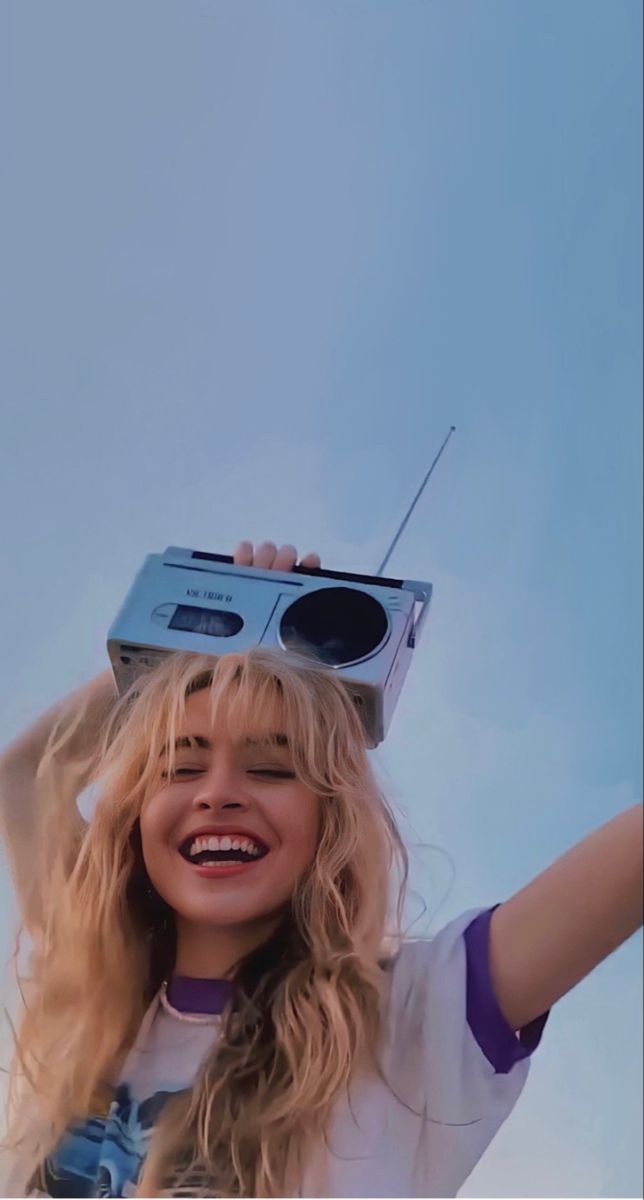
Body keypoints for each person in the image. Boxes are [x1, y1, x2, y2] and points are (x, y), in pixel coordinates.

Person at [0, 540, 641, 1199]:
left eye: (273, 768)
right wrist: (204, 628)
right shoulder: (89, 996)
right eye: (182, 767)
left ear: (328, 822)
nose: (217, 792)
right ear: (135, 816)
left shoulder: (416, 1018)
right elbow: (24, 778)